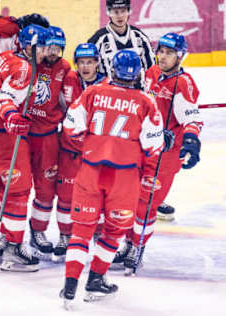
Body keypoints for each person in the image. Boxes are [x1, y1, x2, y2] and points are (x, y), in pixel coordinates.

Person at [58, 50, 169, 307]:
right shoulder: (145, 102)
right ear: (137, 73)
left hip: (90, 170)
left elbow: (71, 128)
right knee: (114, 230)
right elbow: (153, 148)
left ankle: (70, 286)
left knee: (82, 230)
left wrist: (90, 144)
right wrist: (164, 139)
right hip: (124, 177)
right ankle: (95, 280)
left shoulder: (93, 92)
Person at [117, 32, 204, 274]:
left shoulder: (184, 84)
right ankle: (127, 243)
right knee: (131, 198)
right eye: (161, 51)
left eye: (169, 53)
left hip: (166, 154)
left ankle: (138, 247)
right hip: (143, 146)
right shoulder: (152, 73)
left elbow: (192, 119)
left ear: (180, 56)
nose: (163, 56)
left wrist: (190, 142)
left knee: (148, 204)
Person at [0, 24, 52, 272]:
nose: (46, 53)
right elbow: (5, 98)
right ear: (29, 46)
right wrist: (13, 118)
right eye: (42, 47)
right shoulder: (25, 68)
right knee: (18, 191)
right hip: (2, 137)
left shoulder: (5, 57)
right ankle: (13, 249)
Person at [88, 0, 176, 221]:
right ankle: (106, 200)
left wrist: (151, 100)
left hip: (137, 105)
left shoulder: (140, 38)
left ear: (129, 11)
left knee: (142, 152)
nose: (119, 15)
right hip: (111, 106)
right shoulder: (98, 40)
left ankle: (149, 197)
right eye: (115, 11)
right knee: (112, 153)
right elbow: (88, 73)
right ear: (108, 12)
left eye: (123, 10)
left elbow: (152, 71)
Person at [54, 43, 107, 262]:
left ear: (97, 62)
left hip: (97, 153)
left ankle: (98, 234)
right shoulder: (68, 79)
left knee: (98, 195)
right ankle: (65, 235)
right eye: (82, 62)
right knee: (66, 196)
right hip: (69, 150)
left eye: (90, 62)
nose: (86, 67)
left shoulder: (107, 85)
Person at [26, 26, 71, 260]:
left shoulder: (65, 69)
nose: (52, 53)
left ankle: (38, 231)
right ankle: (8, 234)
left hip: (49, 138)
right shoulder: (33, 63)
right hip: (25, 135)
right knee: (17, 187)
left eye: (57, 48)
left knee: (46, 189)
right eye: (49, 47)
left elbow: (70, 104)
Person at [0, 0, 50, 116]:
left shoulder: (3, 25)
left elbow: (25, 24)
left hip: (25, 71)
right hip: (12, 78)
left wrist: (36, 21)